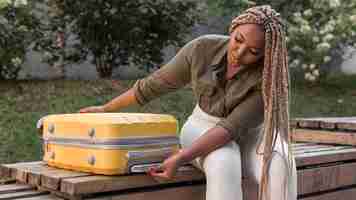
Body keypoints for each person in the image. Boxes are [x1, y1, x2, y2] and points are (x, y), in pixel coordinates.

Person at [79, 5, 297, 200]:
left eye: (253, 52)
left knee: (281, 161)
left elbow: (230, 129)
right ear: (233, 28)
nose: (239, 53)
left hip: (252, 134)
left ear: (265, 55)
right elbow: (151, 86)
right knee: (224, 160)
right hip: (203, 125)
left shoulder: (271, 80)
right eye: (238, 40)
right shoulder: (202, 49)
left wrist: (181, 157)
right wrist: (105, 108)